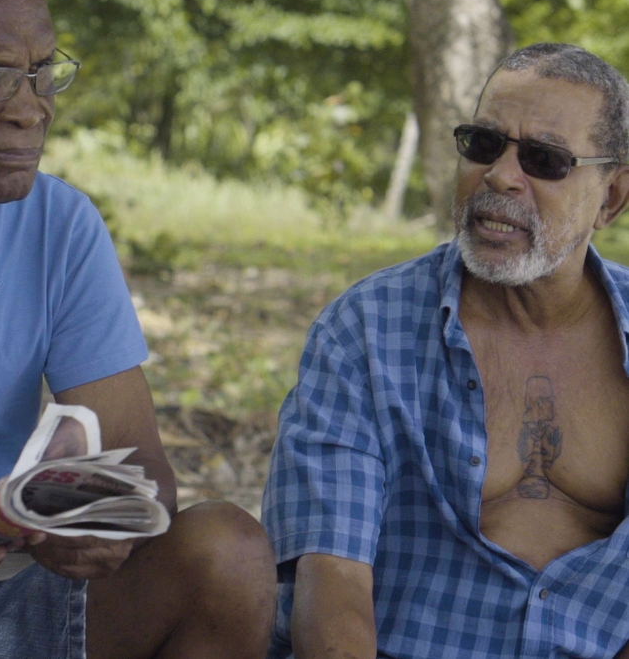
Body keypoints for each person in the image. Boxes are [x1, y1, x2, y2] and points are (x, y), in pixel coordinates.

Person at [0, 0, 276, 658]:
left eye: (42, 71)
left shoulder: (57, 225)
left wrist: (94, 520)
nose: (31, 109)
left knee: (225, 553)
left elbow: (145, 476)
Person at [262, 42, 629, 659]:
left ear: (612, 199)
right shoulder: (364, 333)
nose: (501, 176)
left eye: (544, 159)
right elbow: (331, 591)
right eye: (484, 144)